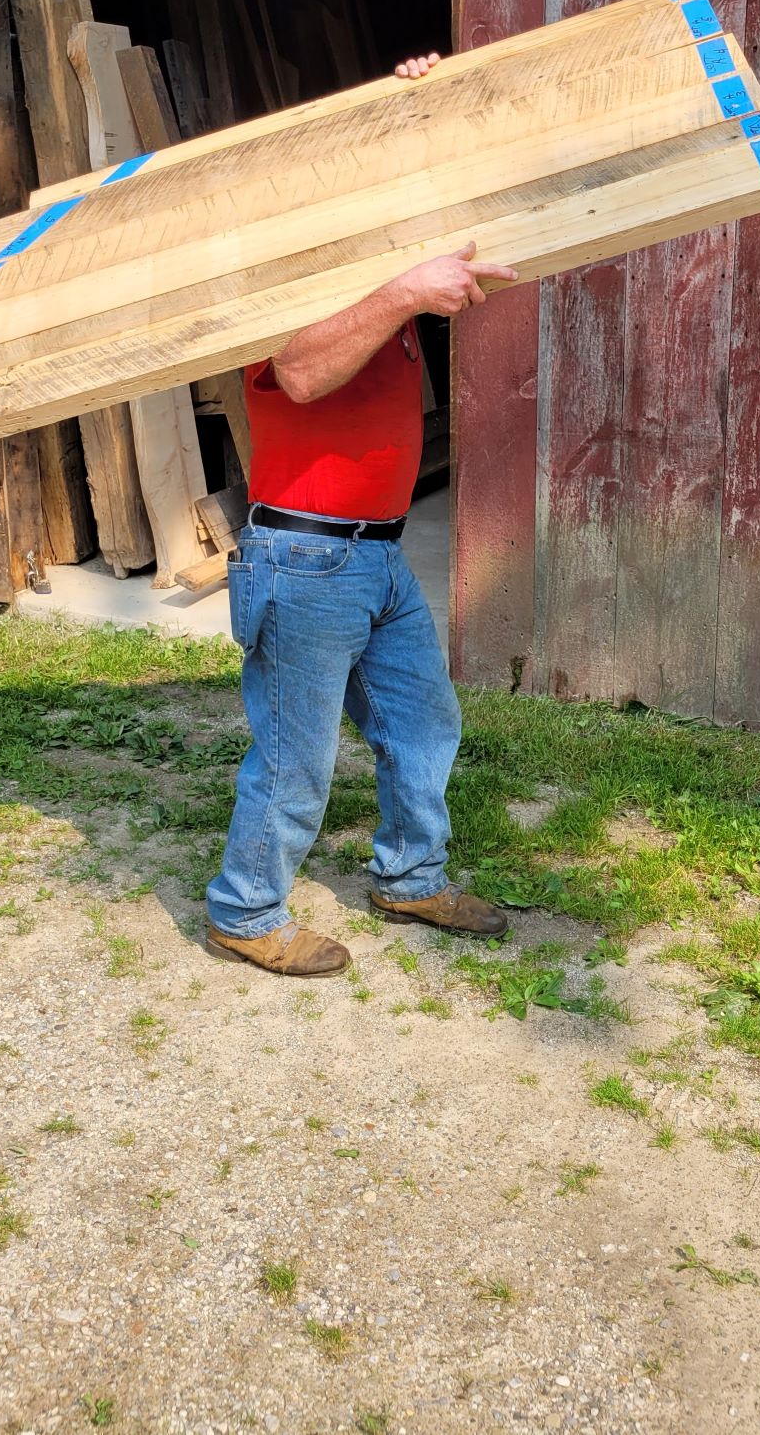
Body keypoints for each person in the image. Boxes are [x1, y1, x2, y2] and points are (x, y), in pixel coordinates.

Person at [204, 52, 520, 976]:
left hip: (375, 558)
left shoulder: (388, 269)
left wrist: (422, 99)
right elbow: (299, 374)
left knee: (424, 723)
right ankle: (243, 909)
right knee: (297, 760)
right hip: (301, 560)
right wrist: (405, 294)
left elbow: (453, 193)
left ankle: (411, 877)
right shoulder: (275, 279)